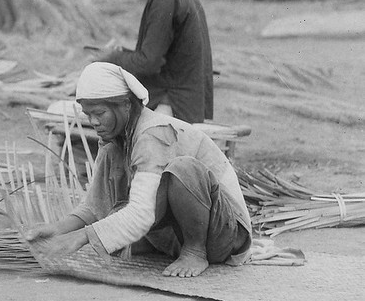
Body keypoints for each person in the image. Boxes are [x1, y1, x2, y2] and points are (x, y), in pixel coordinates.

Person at [24, 62, 251, 278]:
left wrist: (82, 236)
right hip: (177, 233)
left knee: (183, 169)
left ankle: (195, 251)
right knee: (115, 229)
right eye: (87, 114)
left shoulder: (153, 134)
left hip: (225, 234)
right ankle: (183, 247)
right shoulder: (114, 142)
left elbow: (142, 213)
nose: (93, 121)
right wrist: (58, 230)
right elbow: (96, 205)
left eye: (99, 113)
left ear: (125, 105)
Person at [100, 0, 214, 123]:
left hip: (173, 109)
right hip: (191, 106)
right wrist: (123, 54)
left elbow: (148, 64)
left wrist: (111, 58)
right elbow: (161, 58)